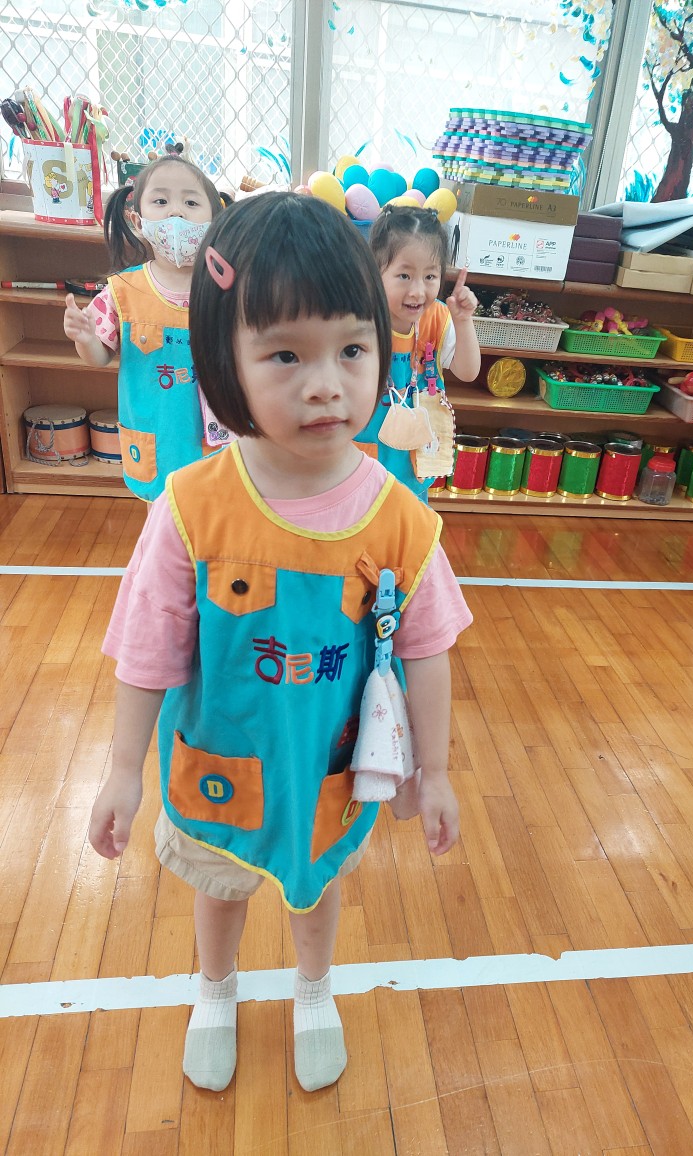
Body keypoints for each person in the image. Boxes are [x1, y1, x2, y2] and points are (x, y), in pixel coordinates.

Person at [86, 192, 472, 1095]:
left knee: (316, 881)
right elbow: (148, 648)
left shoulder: (401, 518)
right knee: (217, 884)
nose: (326, 384)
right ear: (223, 360)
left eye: (351, 349)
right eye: (285, 355)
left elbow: (427, 649)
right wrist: (120, 770)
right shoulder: (191, 506)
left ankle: (312, 988)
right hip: (219, 754)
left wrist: (436, 770)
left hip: (325, 762)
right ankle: (214, 990)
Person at [63, 154, 230, 500]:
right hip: (157, 439)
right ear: (137, 221)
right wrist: (85, 338)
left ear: (214, 220)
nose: (176, 212)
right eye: (161, 201)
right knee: (162, 511)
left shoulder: (227, 287)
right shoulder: (122, 291)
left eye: (191, 202)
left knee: (214, 510)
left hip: (216, 438)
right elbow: (99, 357)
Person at [356, 204, 481, 499]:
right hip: (364, 462)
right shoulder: (360, 319)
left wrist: (463, 321)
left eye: (430, 276)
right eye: (404, 276)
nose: (418, 291)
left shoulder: (438, 317)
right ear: (375, 273)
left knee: (410, 522)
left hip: (414, 464)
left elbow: (468, 372)